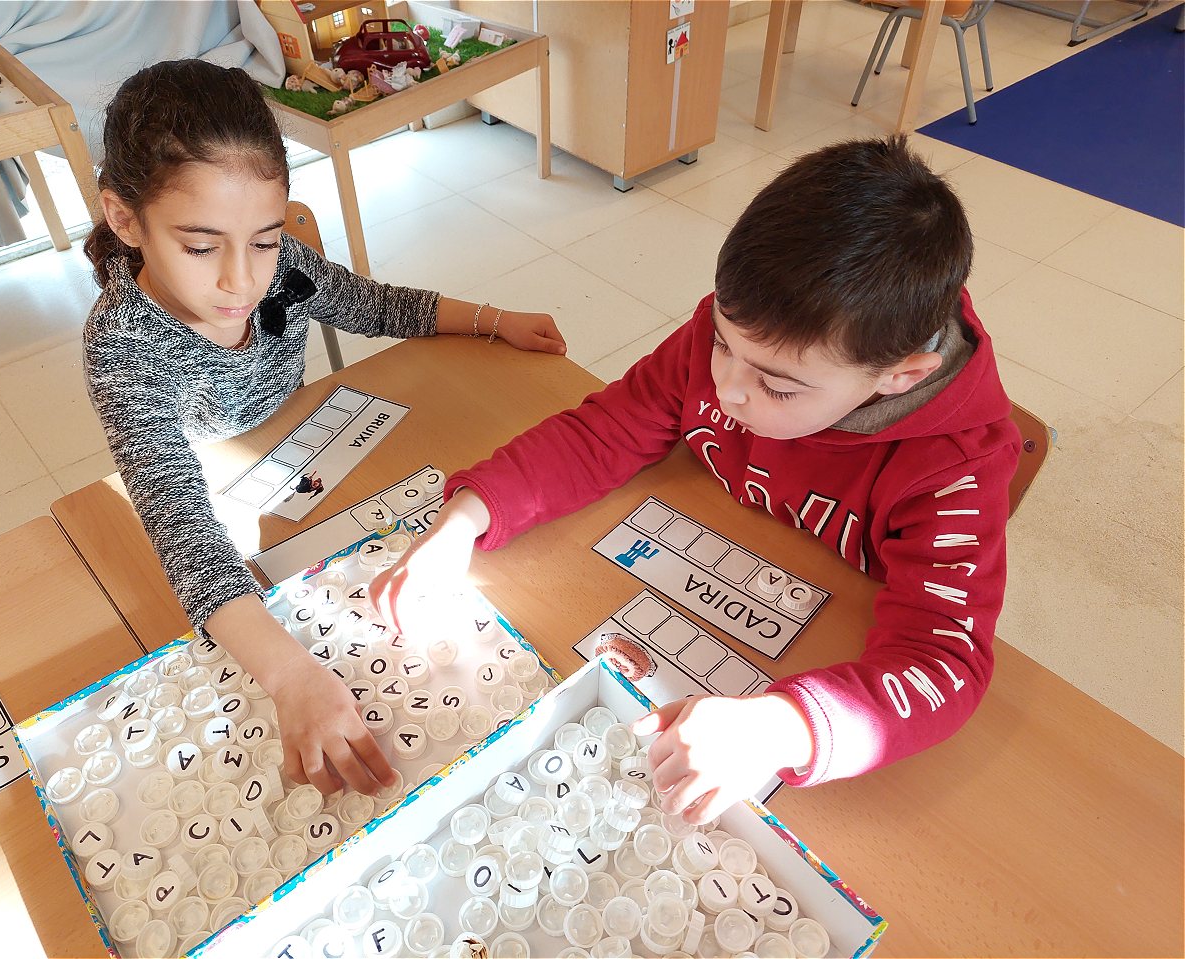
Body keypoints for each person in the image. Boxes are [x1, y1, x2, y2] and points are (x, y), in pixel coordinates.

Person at [371, 136, 1021, 821]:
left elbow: (942, 660)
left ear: (900, 376)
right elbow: (603, 432)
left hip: (813, 646)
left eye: (777, 386)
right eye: (719, 341)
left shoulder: (956, 472)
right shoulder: (746, 340)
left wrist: (781, 727)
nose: (727, 387)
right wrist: (467, 518)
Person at [83, 59, 566, 799]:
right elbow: (182, 526)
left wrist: (492, 320)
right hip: (218, 480)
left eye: (265, 240)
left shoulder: (282, 270)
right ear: (124, 219)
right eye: (201, 246)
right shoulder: (123, 345)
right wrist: (289, 675)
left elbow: (373, 305)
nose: (242, 280)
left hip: (304, 451)